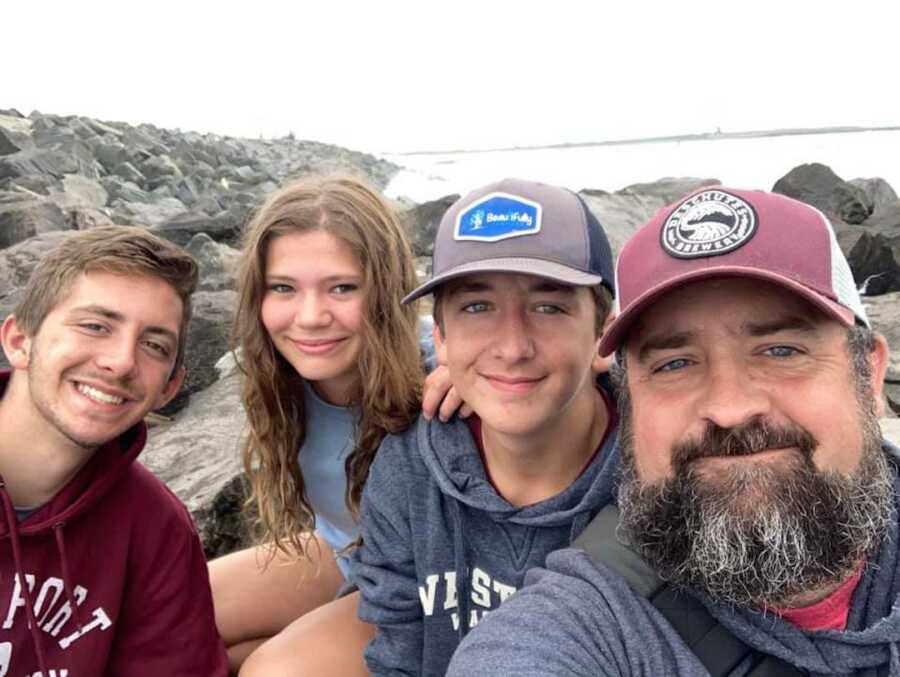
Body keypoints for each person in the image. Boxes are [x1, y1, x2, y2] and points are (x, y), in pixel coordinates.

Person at [447, 187, 900, 676]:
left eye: (781, 351)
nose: (729, 408)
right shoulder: (578, 625)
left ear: (869, 373)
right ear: (628, 400)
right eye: (675, 363)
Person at [349, 178, 622, 676]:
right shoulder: (409, 467)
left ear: (603, 333)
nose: (513, 347)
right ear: (442, 340)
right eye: (477, 308)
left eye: (549, 307)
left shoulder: (657, 471)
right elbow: (398, 652)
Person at [209, 175, 458, 676]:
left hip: (418, 590)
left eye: (342, 288)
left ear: (386, 293)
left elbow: (548, 355)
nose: (310, 317)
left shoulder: (444, 372)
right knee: (181, 606)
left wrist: (593, 357)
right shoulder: (279, 377)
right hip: (344, 555)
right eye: (283, 288)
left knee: (271, 670)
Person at [0, 226, 228, 676]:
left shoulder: (155, 528)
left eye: (153, 345)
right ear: (19, 340)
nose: (122, 361)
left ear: (170, 387)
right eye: (95, 326)